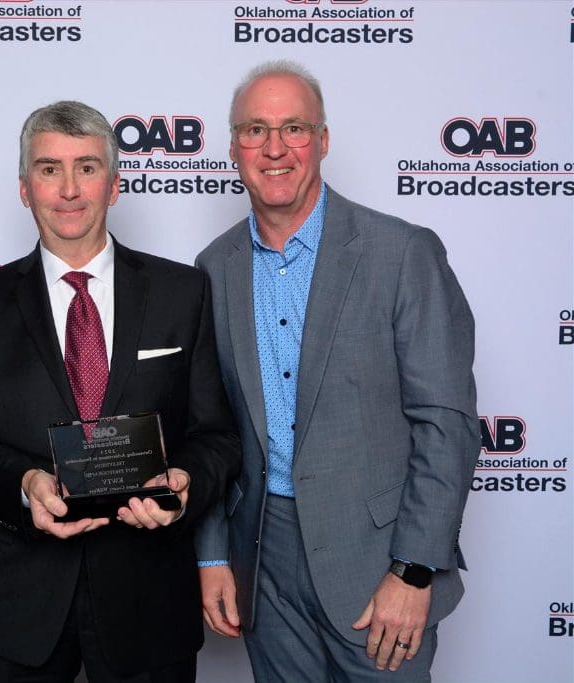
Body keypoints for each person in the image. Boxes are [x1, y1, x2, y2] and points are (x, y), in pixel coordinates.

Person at [195, 60, 480, 682]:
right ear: (234, 147)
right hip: (262, 561)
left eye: (294, 128)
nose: (274, 149)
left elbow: (447, 425)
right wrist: (212, 555)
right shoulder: (213, 267)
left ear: (322, 141)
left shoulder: (401, 253)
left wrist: (413, 569)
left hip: (377, 563)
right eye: (254, 130)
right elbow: (212, 426)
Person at [0, 100, 240, 682]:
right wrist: (26, 486)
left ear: (115, 184)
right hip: (19, 601)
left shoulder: (183, 292)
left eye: (86, 167)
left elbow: (217, 436)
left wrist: (183, 482)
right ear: (24, 189)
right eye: (48, 169)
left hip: (148, 597)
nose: (69, 189)